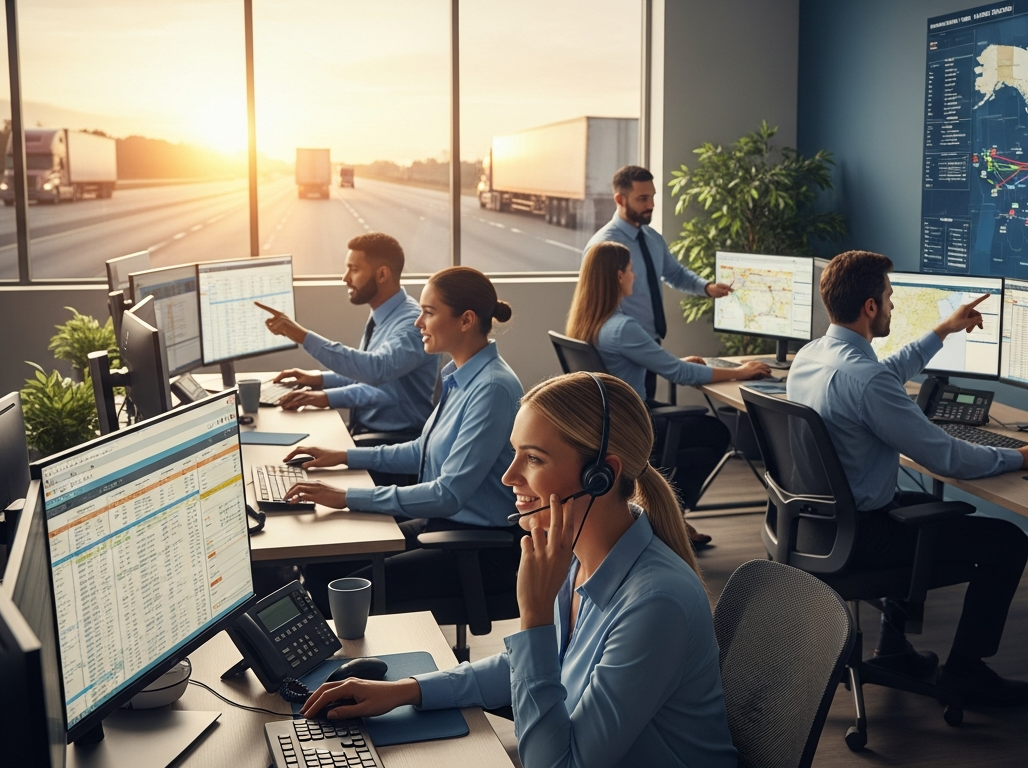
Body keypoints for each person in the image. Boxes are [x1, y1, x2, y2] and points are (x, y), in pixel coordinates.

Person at [300, 373, 738, 768]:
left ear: (600, 476)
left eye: (533, 459)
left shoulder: (655, 603)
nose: (509, 476)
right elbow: (525, 666)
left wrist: (534, 617)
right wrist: (408, 690)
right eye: (515, 454)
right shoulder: (580, 554)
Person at [788, 250, 1028, 707]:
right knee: (1008, 543)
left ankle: (894, 646)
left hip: (816, 524)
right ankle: (964, 672)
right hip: (862, 535)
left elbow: (880, 375)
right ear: (871, 307)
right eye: (889, 296)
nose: (893, 305)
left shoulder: (813, 356)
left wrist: (942, 331)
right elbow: (948, 458)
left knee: (912, 507)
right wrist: (1022, 457)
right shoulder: (865, 380)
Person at [280, 266, 523, 615]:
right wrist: (343, 456)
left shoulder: (491, 388)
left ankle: (359, 668)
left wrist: (347, 497)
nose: (417, 323)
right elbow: (419, 452)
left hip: (476, 548)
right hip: (442, 525)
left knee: (333, 590)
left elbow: (448, 494)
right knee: (324, 565)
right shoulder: (461, 375)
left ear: (466, 320)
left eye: (429, 312)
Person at [568, 241, 768, 546]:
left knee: (698, 434)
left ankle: (665, 518)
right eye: (631, 270)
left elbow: (662, 364)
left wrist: (676, 362)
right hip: (634, 424)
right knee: (714, 432)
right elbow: (680, 375)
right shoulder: (623, 328)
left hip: (612, 423)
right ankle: (670, 520)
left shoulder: (588, 322)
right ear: (618, 276)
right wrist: (742, 372)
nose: (635, 276)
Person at [258, 233, 443, 456]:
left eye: (354, 270)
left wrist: (302, 336)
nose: (345, 278)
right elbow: (363, 373)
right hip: (368, 432)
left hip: (397, 443)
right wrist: (318, 380)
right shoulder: (384, 315)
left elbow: (376, 370)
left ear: (382, 274)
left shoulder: (409, 325)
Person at [584, 165, 733, 400]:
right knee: (644, 418)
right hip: (626, 343)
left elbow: (674, 273)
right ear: (619, 199)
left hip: (644, 346)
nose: (651, 205)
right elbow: (596, 293)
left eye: (652, 197)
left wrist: (706, 287)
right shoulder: (605, 247)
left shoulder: (652, 238)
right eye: (643, 199)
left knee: (645, 411)